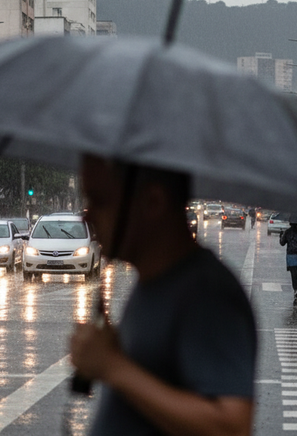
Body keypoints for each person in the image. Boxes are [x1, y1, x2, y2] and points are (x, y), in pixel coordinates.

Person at [70, 155, 256, 436]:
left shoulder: (206, 292)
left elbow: (231, 426)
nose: (86, 216)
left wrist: (113, 366)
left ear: (152, 203)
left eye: (100, 200)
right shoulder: (153, 282)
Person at [280, 222, 297, 304]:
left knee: (294, 275)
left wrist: (281, 235)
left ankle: (296, 291)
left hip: (291, 257)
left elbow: (282, 243)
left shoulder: (287, 232)